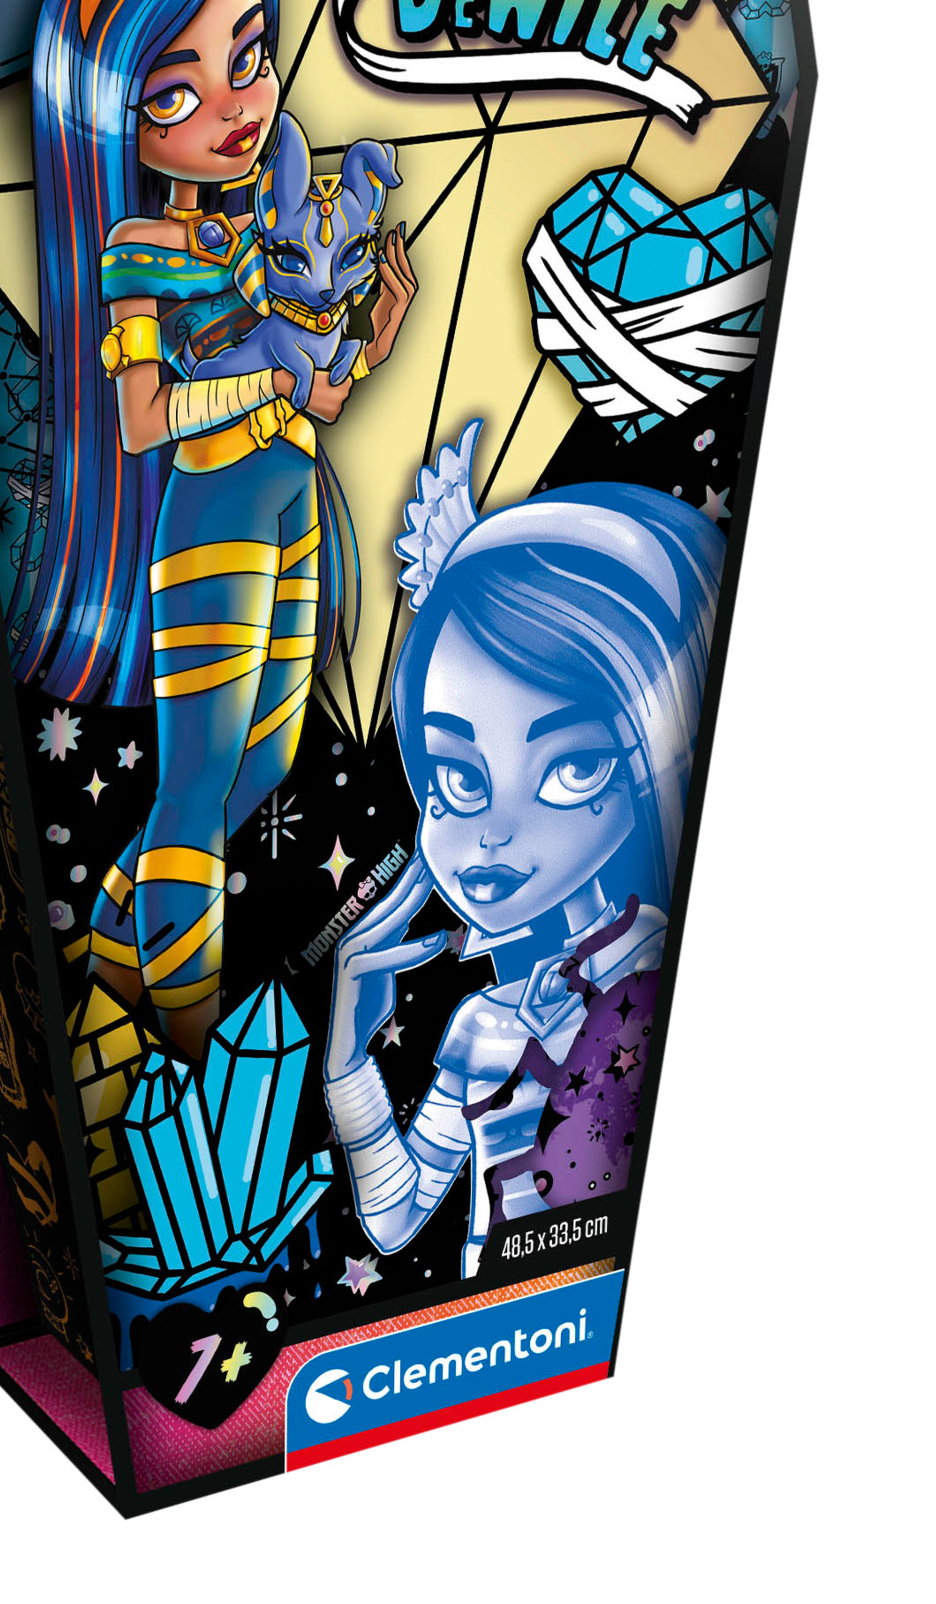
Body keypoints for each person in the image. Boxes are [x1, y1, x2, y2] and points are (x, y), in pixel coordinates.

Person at [12, 0, 417, 1058]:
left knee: (258, 769)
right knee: (194, 788)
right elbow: (143, 417)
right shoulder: (138, 246)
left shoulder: (259, 213)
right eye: (176, 92)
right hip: (212, 513)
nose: (238, 105)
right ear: (115, 111)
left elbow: (316, 395)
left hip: (289, 495)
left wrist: (369, 342)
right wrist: (258, 385)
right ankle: (185, 1049)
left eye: (249, 58)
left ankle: (111, 976)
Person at [324, 421, 724, 1274]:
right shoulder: (487, 1020)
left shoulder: (666, 974)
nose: (495, 831)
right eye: (460, 778)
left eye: (572, 768)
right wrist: (348, 1060)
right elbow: (393, 1219)